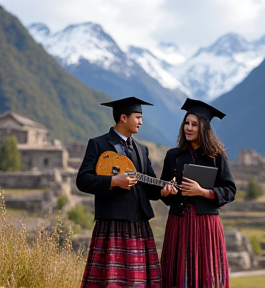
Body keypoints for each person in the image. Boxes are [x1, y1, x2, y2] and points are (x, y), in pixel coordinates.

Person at [76, 96, 162, 288]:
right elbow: (82, 180)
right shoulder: (98, 144)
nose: (141, 121)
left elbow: (151, 188)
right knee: (110, 282)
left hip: (139, 225)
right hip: (112, 223)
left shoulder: (142, 149)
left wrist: (166, 191)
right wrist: (113, 181)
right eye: (138, 117)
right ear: (123, 118)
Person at [159, 98, 237, 288]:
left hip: (206, 224)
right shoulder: (173, 155)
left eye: (194, 124)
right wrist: (165, 192)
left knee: (205, 275)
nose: (189, 128)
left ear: (203, 128)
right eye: (187, 123)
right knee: (176, 276)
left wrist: (202, 192)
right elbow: (163, 192)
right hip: (178, 223)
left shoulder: (216, 156)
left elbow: (230, 190)